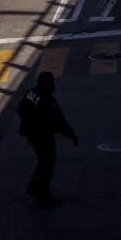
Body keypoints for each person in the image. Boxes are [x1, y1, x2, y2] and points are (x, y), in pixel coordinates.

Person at [17, 71, 79, 206]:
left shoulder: (31, 93)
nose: (53, 85)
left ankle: (34, 187)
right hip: (44, 137)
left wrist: (26, 125)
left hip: (33, 136)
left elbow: (20, 108)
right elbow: (60, 122)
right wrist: (72, 135)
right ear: (45, 84)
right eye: (51, 82)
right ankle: (44, 192)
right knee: (47, 164)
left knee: (42, 162)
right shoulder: (49, 102)